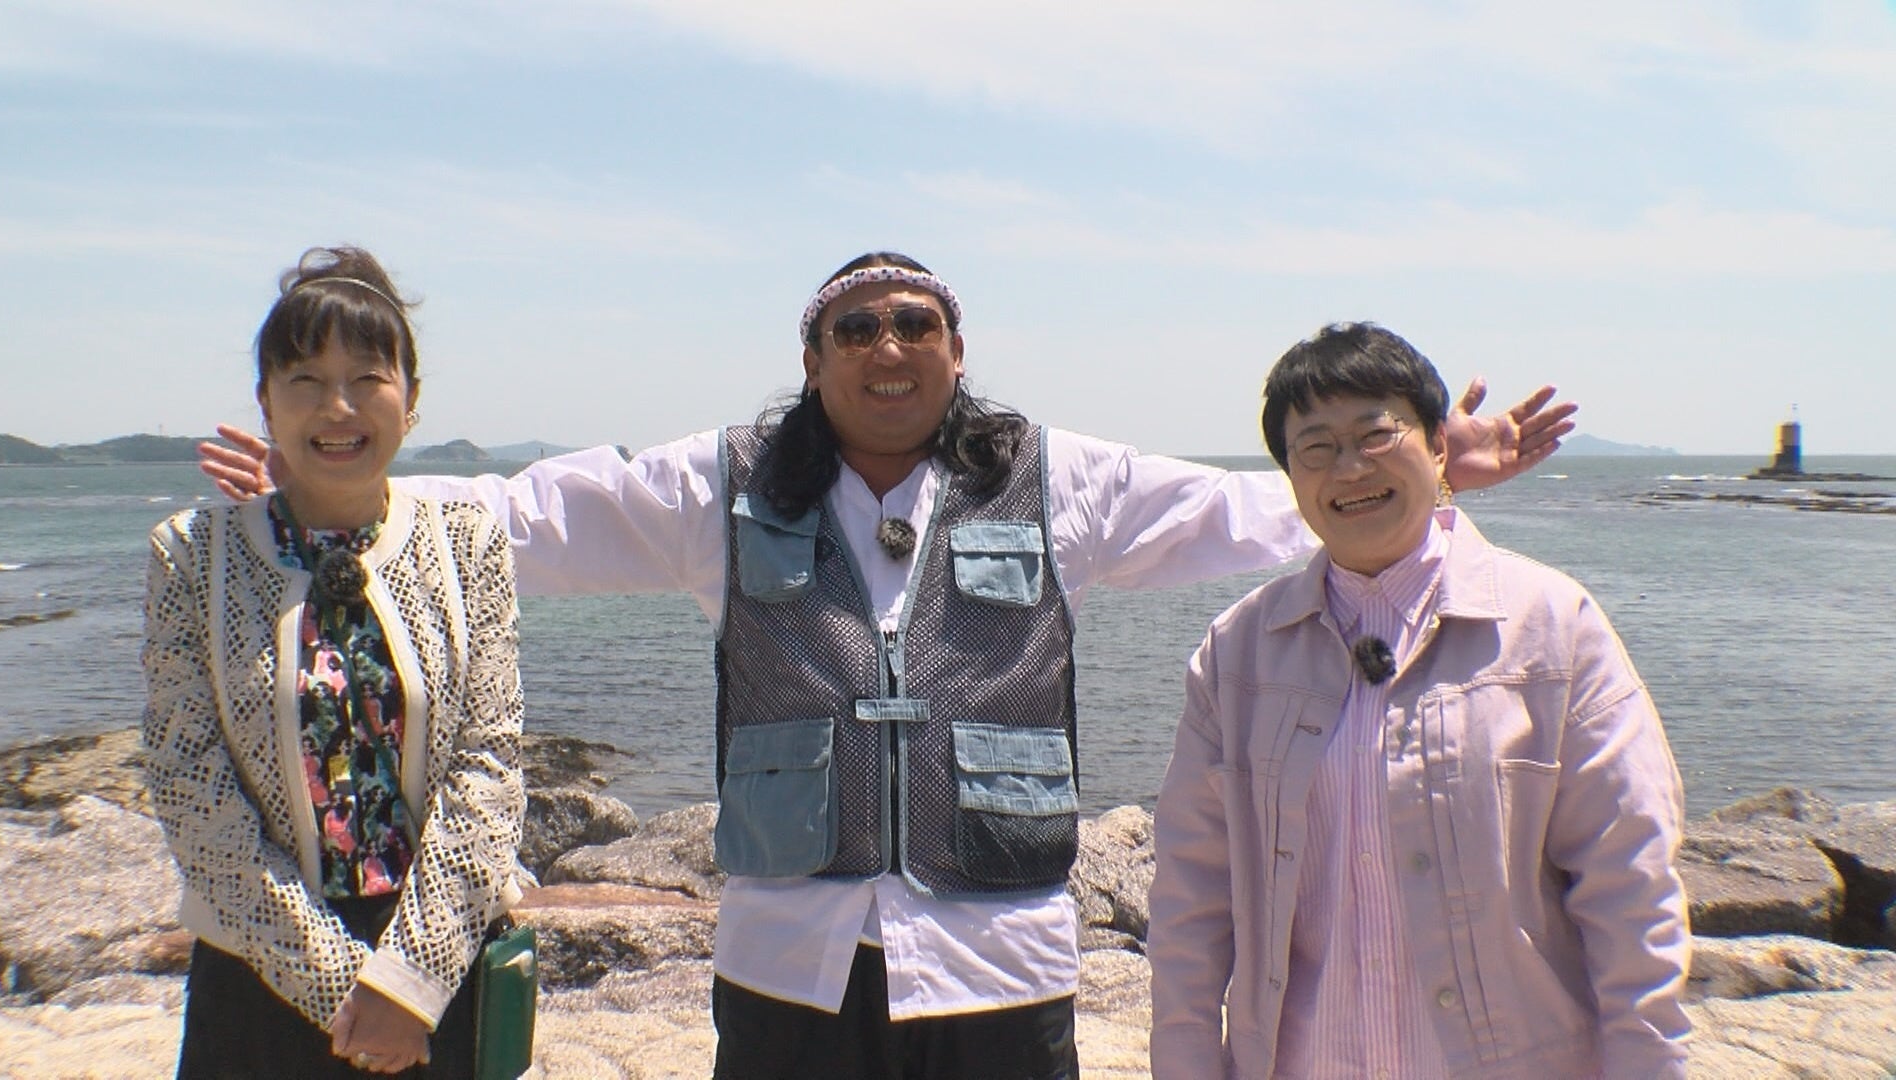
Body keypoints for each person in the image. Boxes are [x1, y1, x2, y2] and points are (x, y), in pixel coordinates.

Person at [200, 253, 1574, 1080]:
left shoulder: (1056, 479)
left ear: (958, 351)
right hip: (787, 965)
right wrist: (346, 488)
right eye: (854, 329)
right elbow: (533, 515)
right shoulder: (722, 486)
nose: (888, 345)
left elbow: (1244, 510)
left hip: (1001, 963)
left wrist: (1425, 478)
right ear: (812, 361)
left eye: (915, 322)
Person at [1147, 323, 1689, 1079]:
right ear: (1291, 476)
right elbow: (1190, 904)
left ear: (1438, 446)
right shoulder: (1239, 653)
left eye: (1376, 434)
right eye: (1316, 448)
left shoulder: (1550, 626)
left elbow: (1630, 881)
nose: (1349, 468)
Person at [145, 246, 527, 1078]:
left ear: (410, 400)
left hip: (442, 973)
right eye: (307, 381)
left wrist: (410, 982)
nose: (339, 406)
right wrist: (345, 993)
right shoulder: (193, 555)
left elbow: (491, 765)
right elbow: (187, 782)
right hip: (256, 976)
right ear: (266, 402)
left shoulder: (468, 545)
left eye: (367, 378)